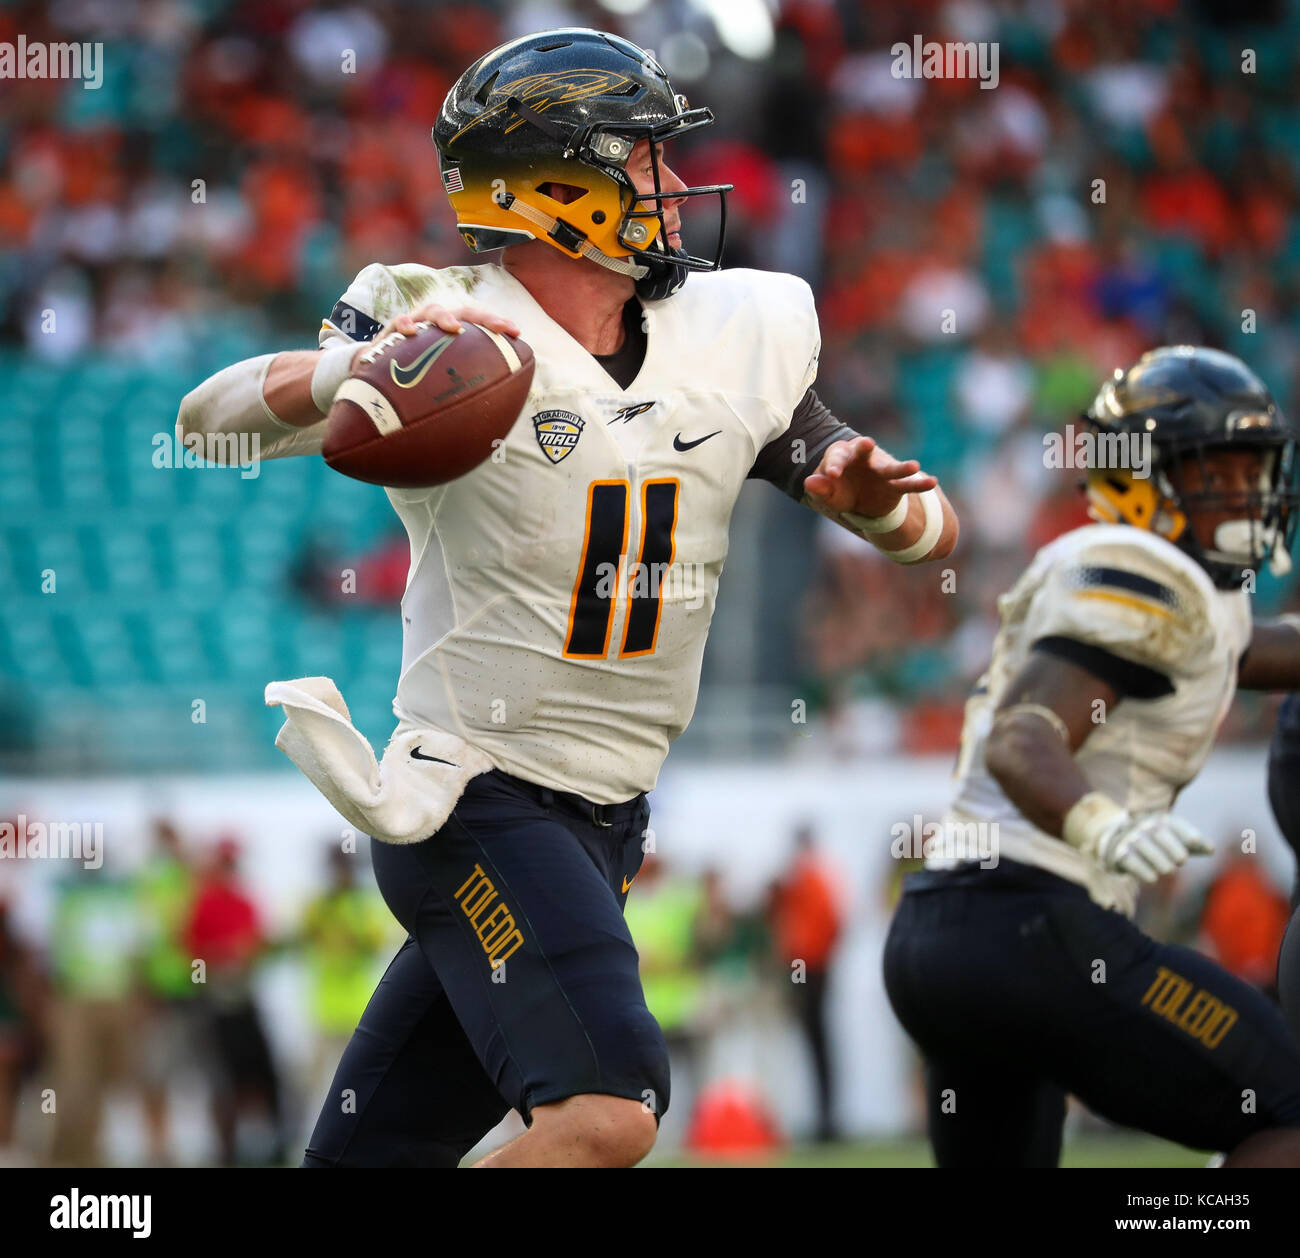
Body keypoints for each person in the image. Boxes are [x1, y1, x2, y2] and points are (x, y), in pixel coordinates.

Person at [177, 27, 956, 1168]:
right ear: (556, 186)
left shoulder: (734, 331)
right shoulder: (438, 317)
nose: (675, 185)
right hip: (476, 799)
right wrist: (356, 365)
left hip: (608, 819)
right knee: (604, 1109)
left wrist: (876, 503)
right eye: (642, 160)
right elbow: (206, 426)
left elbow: (923, 525)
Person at [884, 346, 1300, 1167]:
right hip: (1034, 923)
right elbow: (1022, 733)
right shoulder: (1142, 571)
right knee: (1285, 1107)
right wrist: (1098, 822)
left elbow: (1251, 651)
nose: (1246, 492)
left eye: (1252, 469)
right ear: (1144, 478)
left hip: (944, 936)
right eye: (1218, 471)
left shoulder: (1163, 585)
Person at [771, 824, 842, 1141]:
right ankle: (825, 1120)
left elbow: (829, 922)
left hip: (810, 969)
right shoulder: (811, 877)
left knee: (818, 1045)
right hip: (811, 968)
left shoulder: (808, 878)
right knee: (818, 1045)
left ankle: (827, 1122)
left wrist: (811, 957)